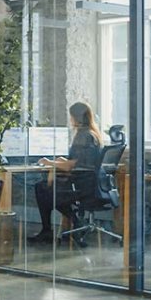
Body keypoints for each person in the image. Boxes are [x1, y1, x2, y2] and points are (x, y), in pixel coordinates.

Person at [28, 102, 104, 248]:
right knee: (47, 190)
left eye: (71, 116)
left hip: (80, 186)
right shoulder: (92, 133)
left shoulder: (83, 135)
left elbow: (72, 165)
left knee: (42, 189)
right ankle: (71, 222)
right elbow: (80, 162)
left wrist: (49, 162)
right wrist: (61, 161)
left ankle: (54, 228)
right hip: (88, 184)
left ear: (76, 117)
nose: (70, 120)